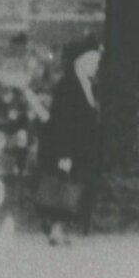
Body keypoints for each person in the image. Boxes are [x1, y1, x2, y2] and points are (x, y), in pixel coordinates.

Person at [37, 37, 103, 244]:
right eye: (93, 62)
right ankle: (56, 229)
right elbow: (62, 122)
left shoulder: (87, 85)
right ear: (80, 62)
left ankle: (61, 229)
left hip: (82, 150)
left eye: (97, 62)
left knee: (73, 188)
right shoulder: (67, 86)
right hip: (68, 149)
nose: (96, 66)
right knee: (63, 188)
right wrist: (63, 153)